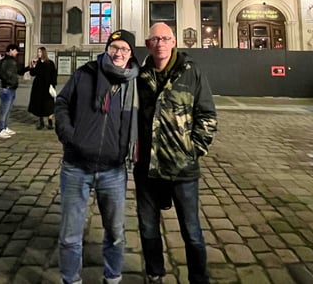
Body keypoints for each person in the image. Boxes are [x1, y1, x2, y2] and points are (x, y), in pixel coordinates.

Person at [53, 29, 140, 284]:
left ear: (131, 53)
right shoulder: (86, 73)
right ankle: (71, 279)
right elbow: (62, 104)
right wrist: (70, 136)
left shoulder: (136, 82)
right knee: (70, 233)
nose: (119, 53)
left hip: (113, 169)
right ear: (107, 49)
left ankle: (112, 277)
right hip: (76, 166)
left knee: (115, 232)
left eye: (125, 49)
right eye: (114, 48)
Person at [135, 22, 218, 284]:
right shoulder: (139, 75)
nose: (160, 43)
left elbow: (207, 115)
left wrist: (193, 150)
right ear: (148, 44)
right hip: (147, 168)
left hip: (182, 169)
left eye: (165, 38)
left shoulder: (191, 72)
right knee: (148, 228)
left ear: (174, 42)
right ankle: (155, 273)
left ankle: (198, 278)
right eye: (155, 39)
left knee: (191, 231)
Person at [21, 46, 58, 130]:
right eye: (38, 52)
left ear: (44, 53)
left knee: (49, 104)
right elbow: (33, 74)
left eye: (40, 52)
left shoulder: (50, 63)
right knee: (39, 104)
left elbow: (54, 75)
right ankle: (41, 122)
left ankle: (50, 121)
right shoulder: (37, 63)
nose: (38, 54)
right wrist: (32, 66)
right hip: (38, 86)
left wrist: (53, 85)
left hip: (48, 86)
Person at [0, 43, 22, 138]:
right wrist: (9, 83)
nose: (17, 52)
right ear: (10, 50)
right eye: (15, 51)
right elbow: (3, 74)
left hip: (11, 88)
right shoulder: (6, 61)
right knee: (4, 110)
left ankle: (5, 127)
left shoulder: (11, 60)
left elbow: (18, 71)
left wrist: (29, 67)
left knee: (8, 110)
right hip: (7, 88)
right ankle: (0, 130)